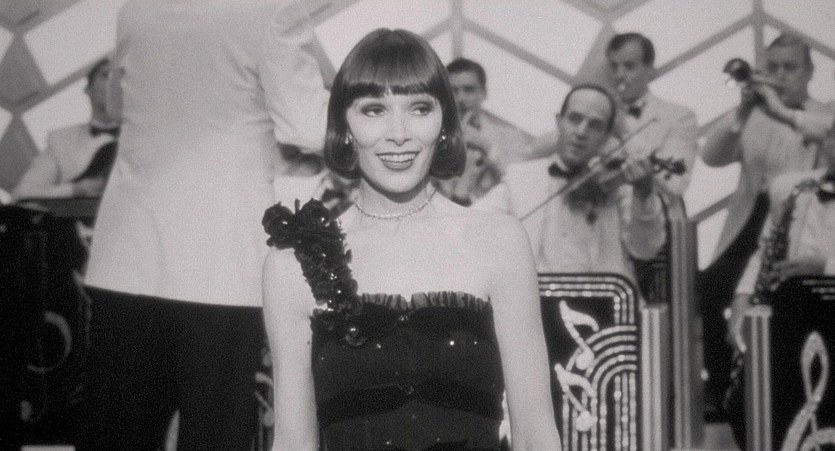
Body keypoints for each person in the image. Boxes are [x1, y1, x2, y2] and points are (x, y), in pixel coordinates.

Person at [262, 28, 561, 450]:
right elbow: (293, 441)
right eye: (374, 110)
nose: (399, 133)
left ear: (444, 124)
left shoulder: (500, 242)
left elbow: (535, 434)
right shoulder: (293, 264)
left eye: (419, 108)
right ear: (343, 127)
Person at [79, 1, 329, 449]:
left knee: (116, 434)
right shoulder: (273, 10)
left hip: (128, 257)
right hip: (220, 266)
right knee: (214, 435)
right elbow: (308, 128)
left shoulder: (135, 9)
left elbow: (115, 107)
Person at [697, 33, 835, 415]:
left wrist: (781, 110)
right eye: (772, 67)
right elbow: (711, 157)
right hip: (751, 215)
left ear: (809, 72)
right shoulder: (753, 114)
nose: (780, 75)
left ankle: (779, 388)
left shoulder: (823, 115)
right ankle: (725, 390)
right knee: (711, 291)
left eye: (790, 68)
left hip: (799, 218)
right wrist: (742, 110)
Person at [474, 84, 666, 285]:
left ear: (607, 136)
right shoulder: (521, 179)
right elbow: (473, 225)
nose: (581, 132)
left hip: (605, 298)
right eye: (575, 119)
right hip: (540, 298)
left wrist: (644, 192)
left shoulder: (618, 185)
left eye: (595, 125)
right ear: (559, 122)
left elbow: (646, 249)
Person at [605, 32, 699, 202]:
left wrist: (624, 129)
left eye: (629, 66)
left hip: (655, 216)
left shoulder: (680, 117)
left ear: (650, 71)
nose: (619, 75)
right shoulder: (599, 115)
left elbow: (676, 184)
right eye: (614, 67)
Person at [12, 58, 119, 201]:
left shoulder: (145, 139)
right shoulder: (61, 140)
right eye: (106, 75)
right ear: (88, 90)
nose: (115, 83)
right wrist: (75, 189)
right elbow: (24, 192)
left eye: (121, 77)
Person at [436, 57, 532, 206]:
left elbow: (523, 187)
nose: (461, 98)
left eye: (469, 89)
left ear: (484, 93)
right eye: (453, 91)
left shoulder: (511, 136)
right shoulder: (433, 140)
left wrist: (486, 146)